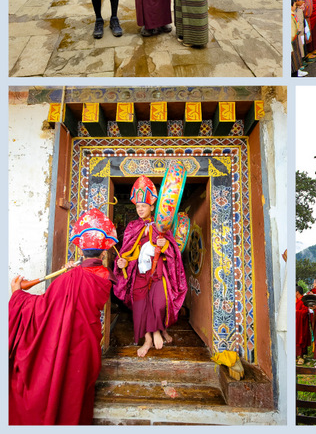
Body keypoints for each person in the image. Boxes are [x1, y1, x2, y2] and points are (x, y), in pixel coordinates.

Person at [9, 208, 116, 424]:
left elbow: (43, 308)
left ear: (81, 251)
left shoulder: (69, 278)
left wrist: (18, 296)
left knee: (62, 384)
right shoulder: (105, 278)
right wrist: (74, 271)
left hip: (67, 342)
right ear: (103, 254)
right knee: (76, 391)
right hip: (86, 344)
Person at [113, 176, 187, 357]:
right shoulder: (132, 226)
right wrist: (121, 262)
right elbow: (128, 252)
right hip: (139, 273)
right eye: (138, 206)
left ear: (152, 207)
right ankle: (148, 339)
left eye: (143, 206)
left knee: (160, 303)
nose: (140, 209)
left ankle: (160, 330)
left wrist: (165, 245)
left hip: (158, 273)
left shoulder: (163, 226)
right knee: (140, 306)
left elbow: (174, 252)